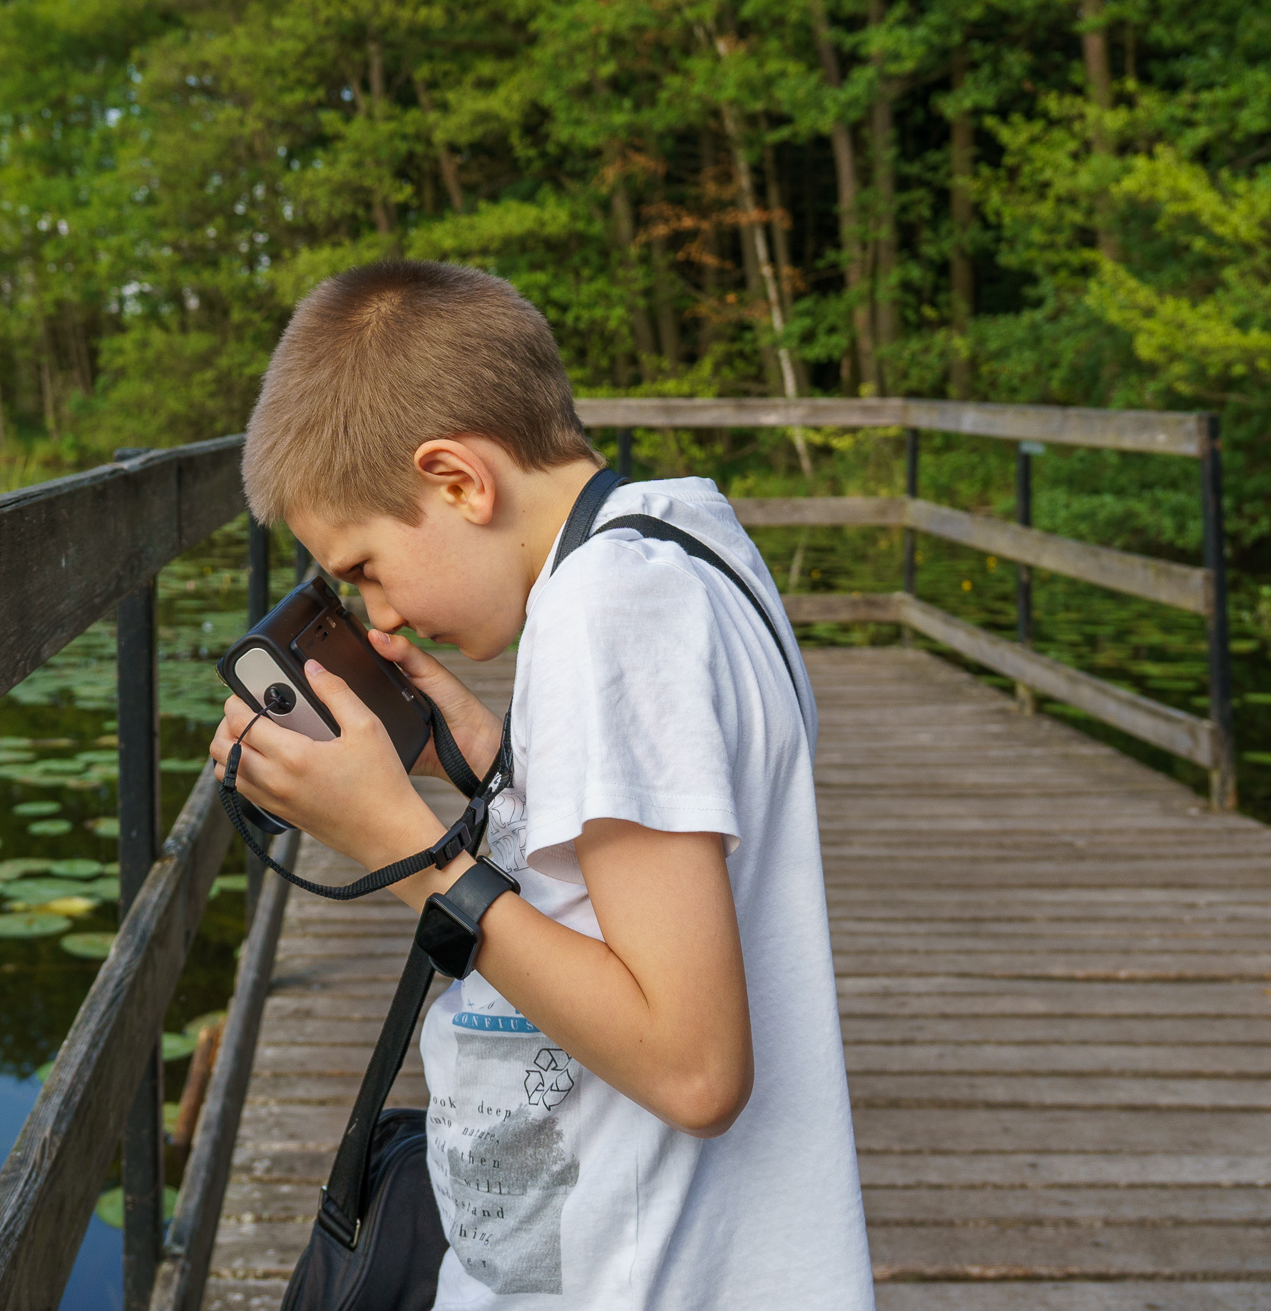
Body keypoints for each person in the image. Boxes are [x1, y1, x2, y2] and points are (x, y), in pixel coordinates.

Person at [213, 260, 875, 1310]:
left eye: (367, 565)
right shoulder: (676, 540)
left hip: (641, 1276)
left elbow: (695, 1069)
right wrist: (490, 761)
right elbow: (658, 843)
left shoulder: (602, 612)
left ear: (458, 481)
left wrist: (405, 851)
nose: (379, 615)